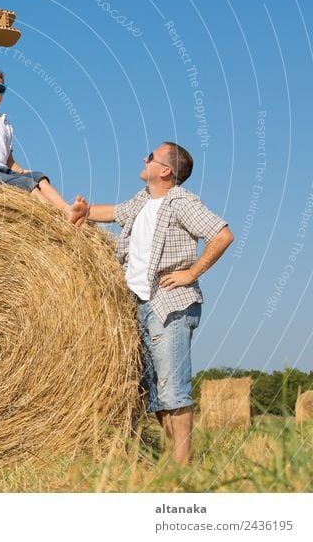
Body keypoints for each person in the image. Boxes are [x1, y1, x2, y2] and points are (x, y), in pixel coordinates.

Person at [87, 142, 233, 464]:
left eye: (150, 156)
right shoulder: (143, 201)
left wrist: (192, 272)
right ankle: (175, 462)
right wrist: (80, 212)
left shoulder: (181, 202)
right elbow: (113, 213)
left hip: (170, 305)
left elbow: (222, 235)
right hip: (140, 304)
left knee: (173, 390)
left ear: (165, 170)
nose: (144, 158)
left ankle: (182, 471)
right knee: (155, 395)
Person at [0, 39, 88, 224]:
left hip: (4, 171)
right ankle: (53, 221)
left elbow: (8, 160)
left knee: (39, 178)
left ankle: (66, 210)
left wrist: (23, 170)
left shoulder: (5, 123)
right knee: (27, 185)